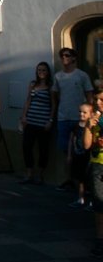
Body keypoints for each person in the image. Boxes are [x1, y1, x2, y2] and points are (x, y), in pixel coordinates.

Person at [53, 47, 93, 189]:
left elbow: (89, 94)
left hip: (79, 118)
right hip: (63, 117)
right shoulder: (58, 76)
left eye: (67, 55)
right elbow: (56, 96)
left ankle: (83, 182)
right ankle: (69, 179)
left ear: (74, 58)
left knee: (81, 150)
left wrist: (90, 114)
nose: (64, 58)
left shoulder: (82, 75)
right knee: (65, 150)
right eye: (62, 56)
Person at [18, 62, 54, 184]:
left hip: (43, 122)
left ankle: (41, 174)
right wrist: (23, 116)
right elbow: (28, 100)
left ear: (48, 72)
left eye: (44, 70)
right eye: (39, 70)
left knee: (43, 149)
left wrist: (50, 120)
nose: (41, 72)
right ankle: (29, 173)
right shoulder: (33, 85)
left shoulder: (50, 87)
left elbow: (53, 105)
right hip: (30, 121)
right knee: (26, 147)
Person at [82, 88, 103, 257]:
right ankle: (100, 240)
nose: (98, 103)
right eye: (97, 100)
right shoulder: (94, 120)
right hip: (98, 165)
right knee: (99, 205)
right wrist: (89, 127)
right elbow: (87, 145)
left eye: (102, 100)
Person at [68, 102, 93, 207]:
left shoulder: (92, 126)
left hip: (88, 157)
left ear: (90, 114)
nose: (81, 114)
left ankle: (92, 201)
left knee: (90, 179)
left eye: (84, 112)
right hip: (77, 155)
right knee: (78, 178)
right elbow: (71, 140)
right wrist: (69, 155)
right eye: (80, 112)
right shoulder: (75, 126)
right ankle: (80, 198)